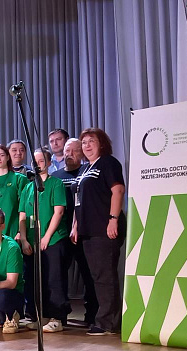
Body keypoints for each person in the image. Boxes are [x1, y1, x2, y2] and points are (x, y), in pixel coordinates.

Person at [71, 128, 126, 336]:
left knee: (105, 276)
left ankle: (108, 323)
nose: (86, 145)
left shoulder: (108, 163)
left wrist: (113, 219)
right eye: (84, 142)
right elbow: (78, 200)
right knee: (97, 277)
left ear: (101, 143)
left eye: (91, 141)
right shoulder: (85, 168)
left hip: (104, 228)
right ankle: (103, 319)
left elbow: (118, 190)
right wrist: (75, 225)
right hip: (87, 230)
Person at [18, 149, 68, 332]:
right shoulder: (28, 187)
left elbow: (58, 211)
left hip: (52, 240)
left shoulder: (56, 184)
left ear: (48, 162)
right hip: (32, 241)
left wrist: (46, 236)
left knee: (54, 279)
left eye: (41, 160)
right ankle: (40, 316)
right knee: (35, 280)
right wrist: (24, 239)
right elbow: (22, 215)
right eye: (35, 161)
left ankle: (57, 317)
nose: (38, 164)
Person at [52, 138, 97, 324]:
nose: (69, 155)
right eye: (66, 151)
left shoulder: (87, 172)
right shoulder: (56, 176)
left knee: (88, 274)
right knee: (59, 275)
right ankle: (60, 315)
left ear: (82, 153)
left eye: (74, 151)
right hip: (61, 233)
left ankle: (92, 314)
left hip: (84, 231)